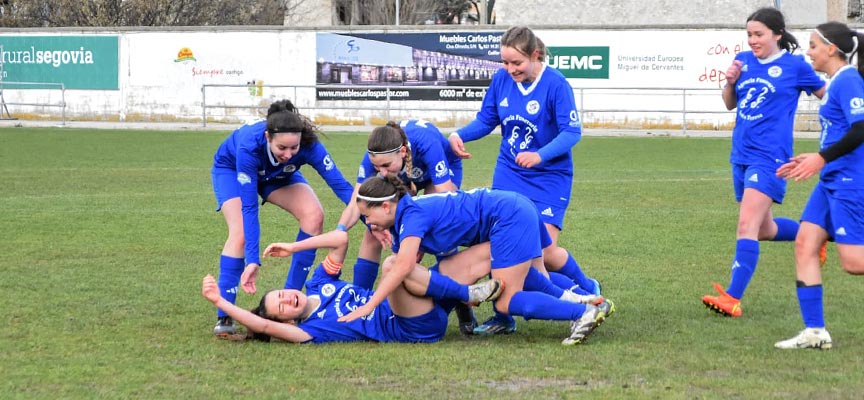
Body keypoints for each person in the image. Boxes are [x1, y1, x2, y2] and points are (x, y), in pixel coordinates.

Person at [448, 26, 601, 334]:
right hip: (509, 173)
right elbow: (488, 119)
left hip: (548, 177)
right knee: (502, 246)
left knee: (540, 254)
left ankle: (586, 287)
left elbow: (572, 132)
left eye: (516, 63)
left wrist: (539, 155)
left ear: (535, 55)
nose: (510, 69)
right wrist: (458, 134)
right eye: (505, 63)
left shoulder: (556, 84)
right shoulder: (502, 80)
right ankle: (503, 317)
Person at [339, 175, 615, 346]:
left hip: (507, 216)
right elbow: (432, 270)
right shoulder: (407, 217)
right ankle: (589, 299)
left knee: (506, 299)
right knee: (535, 279)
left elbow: (402, 267)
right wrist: (464, 312)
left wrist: (370, 305)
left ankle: (583, 312)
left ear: (386, 206)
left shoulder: (412, 216)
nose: (368, 222)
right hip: (512, 206)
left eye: (368, 215)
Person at [701, 7, 826, 318]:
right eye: (749, 35)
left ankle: (732, 297)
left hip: (770, 157)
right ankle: (816, 233)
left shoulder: (795, 66)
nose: (753, 40)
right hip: (740, 154)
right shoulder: (742, 61)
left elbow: (827, 95)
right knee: (763, 229)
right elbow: (731, 103)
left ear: (777, 34)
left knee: (746, 224)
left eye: (759, 34)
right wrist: (729, 83)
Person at [201, 230, 503, 344]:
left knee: (488, 251)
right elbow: (262, 327)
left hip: (419, 295)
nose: (287, 300)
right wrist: (221, 302)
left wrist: (294, 247)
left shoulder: (318, 283)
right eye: (282, 309)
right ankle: (465, 297)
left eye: (280, 295)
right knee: (392, 265)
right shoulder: (314, 330)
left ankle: (545, 281)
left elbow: (340, 240)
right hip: (411, 324)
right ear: (289, 321)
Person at [210, 99, 354, 336]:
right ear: (268, 137)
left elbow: (341, 187)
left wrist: (374, 221)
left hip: (276, 174)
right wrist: (253, 260)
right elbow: (249, 209)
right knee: (240, 234)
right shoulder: (249, 147)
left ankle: (289, 308)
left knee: (314, 215)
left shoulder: (309, 145)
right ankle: (224, 316)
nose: (288, 154)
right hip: (232, 169)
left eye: (293, 148)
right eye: (282, 148)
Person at [773, 22, 864, 349]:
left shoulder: (849, 80)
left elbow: (861, 128)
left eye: (813, 45)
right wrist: (814, 157)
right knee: (805, 244)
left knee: (854, 263)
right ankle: (815, 332)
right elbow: (840, 132)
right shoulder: (836, 82)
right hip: (830, 181)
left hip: (850, 180)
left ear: (831, 48)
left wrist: (822, 158)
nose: (808, 51)